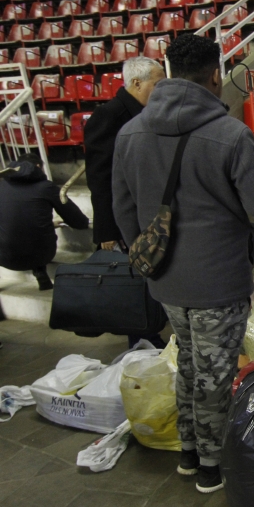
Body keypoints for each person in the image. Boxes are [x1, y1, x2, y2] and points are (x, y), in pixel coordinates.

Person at [112, 34, 254, 494]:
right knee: (214, 373)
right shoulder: (229, 135)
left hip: (165, 279)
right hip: (218, 280)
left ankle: (189, 453)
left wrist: (148, 256)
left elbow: (123, 210)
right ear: (215, 76)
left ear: (166, 73)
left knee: (188, 363)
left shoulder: (130, 133)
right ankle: (211, 465)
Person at [84, 56, 166, 349]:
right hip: (122, 220)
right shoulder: (109, 116)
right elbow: (100, 178)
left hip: (147, 212)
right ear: (136, 83)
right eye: (157, 83)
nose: (162, 88)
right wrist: (106, 230)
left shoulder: (151, 113)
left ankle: (149, 334)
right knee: (135, 285)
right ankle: (143, 340)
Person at [0, 153, 89, 290]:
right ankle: (40, 272)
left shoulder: (1, 186)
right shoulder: (46, 187)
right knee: (35, 237)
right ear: (37, 167)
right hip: (40, 255)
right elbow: (78, 221)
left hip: (4, 257)